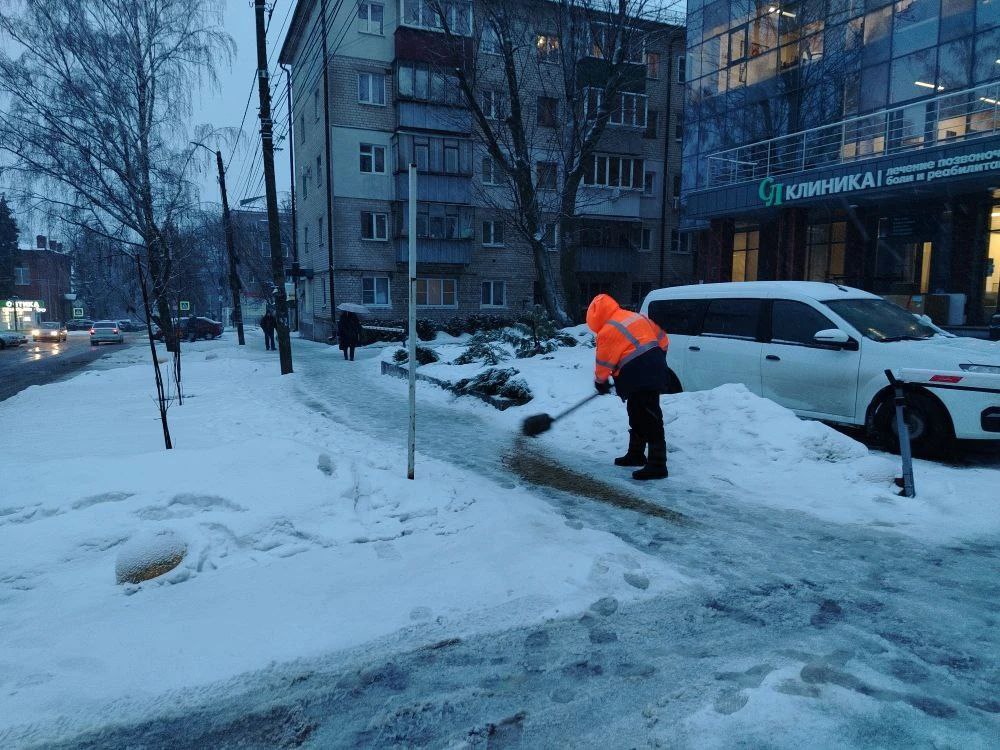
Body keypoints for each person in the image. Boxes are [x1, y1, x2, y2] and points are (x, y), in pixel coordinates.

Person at [586, 294, 670, 480]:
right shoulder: (636, 316)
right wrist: (655, 360)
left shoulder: (608, 330)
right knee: (637, 410)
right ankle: (636, 454)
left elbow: (603, 363)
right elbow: (663, 340)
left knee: (648, 414)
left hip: (639, 372)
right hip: (651, 367)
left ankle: (658, 464)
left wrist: (600, 383)